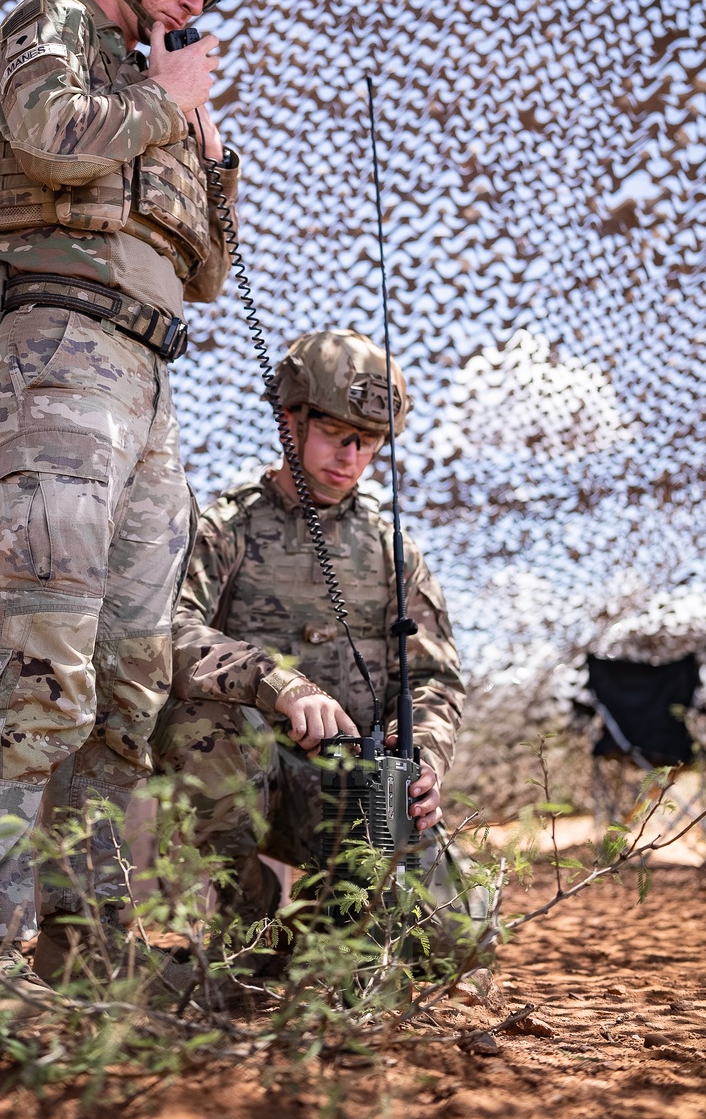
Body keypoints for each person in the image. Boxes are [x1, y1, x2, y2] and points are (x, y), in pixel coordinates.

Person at [0, 0, 260, 1003]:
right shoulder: (56, 25)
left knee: (128, 682)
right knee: (38, 664)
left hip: (149, 381)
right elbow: (46, 133)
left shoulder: (159, 85)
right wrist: (162, 103)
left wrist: (208, 160)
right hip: (59, 358)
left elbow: (206, 274)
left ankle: (88, 945)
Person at [154, 328, 496, 957]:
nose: (352, 455)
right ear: (290, 419)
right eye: (337, 434)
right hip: (256, 776)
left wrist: (424, 756)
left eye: (367, 443)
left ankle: (309, 933)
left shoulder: (393, 552)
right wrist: (278, 684)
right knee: (200, 723)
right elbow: (167, 632)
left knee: (455, 942)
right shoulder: (227, 528)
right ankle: (244, 918)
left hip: (357, 792)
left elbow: (435, 679)